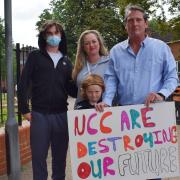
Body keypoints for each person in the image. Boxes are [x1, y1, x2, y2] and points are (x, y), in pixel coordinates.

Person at [95, 4, 178, 180]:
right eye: (130, 20)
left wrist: (161, 94)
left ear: (146, 23)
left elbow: (172, 77)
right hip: (126, 120)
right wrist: (107, 101)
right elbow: (111, 80)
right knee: (128, 168)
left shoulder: (161, 47)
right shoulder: (116, 51)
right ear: (125, 25)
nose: (134, 24)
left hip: (153, 116)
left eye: (138, 19)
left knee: (152, 168)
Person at [18, 20, 77, 180]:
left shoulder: (66, 60)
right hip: (39, 115)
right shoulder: (35, 56)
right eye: (49, 33)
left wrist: (85, 85)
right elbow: (23, 83)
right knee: (38, 158)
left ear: (61, 36)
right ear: (44, 36)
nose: (53, 36)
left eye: (56, 33)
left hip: (61, 115)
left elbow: (71, 89)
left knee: (60, 159)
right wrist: (24, 110)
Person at [72, 30, 110, 108]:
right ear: (83, 47)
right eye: (87, 43)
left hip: (105, 111)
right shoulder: (79, 66)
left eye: (94, 41)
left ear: (99, 43)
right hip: (83, 113)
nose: (91, 45)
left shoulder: (110, 63)